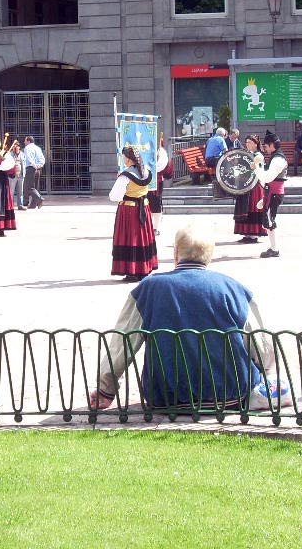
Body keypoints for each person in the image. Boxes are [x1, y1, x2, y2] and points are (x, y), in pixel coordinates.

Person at [88, 223, 275, 411]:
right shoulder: (234, 289)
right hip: (230, 394)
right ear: (210, 255)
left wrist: (106, 390)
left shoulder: (149, 289)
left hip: (166, 396)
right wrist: (266, 376)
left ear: (176, 252)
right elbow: (263, 345)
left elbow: (122, 343)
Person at [109, 144, 158, 282]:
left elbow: (114, 196)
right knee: (143, 238)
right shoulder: (147, 171)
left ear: (128, 158)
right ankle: (144, 268)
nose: (124, 160)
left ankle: (132, 271)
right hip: (144, 208)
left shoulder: (126, 175)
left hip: (129, 210)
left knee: (130, 238)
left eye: (124, 157)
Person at [254, 130, 287, 259]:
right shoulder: (275, 157)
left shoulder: (278, 159)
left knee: (269, 220)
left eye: (266, 146)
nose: (265, 149)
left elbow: (267, 177)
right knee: (268, 219)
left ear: (272, 145)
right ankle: (273, 248)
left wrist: (257, 166)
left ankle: (274, 249)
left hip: (274, 193)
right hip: (271, 193)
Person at [234, 134, 268, 244]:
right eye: (246, 142)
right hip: (246, 184)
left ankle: (253, 235)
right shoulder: (246, 154)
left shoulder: (259, 155)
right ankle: (247, 234)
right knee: (246, 208)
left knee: (253, 208)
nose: (247, 144)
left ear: (255, 144)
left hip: (255, 185)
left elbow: (256, 169)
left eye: (250, 142)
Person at [148, 134, 173, 237]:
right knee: (150, 204)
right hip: (149, 181)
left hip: (156, 182)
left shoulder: (161, 152)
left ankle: (155, 227)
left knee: (155, 204)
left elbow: (166, 169)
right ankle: (151, 227)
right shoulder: (148, 150)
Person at [21, 135, 46, 209]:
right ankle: (33, 205)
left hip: (30, 168)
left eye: (25, 140)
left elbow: (29, 158)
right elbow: (42, 158)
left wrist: (34, 165)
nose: (24, 142)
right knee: (35, 186)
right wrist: (40, 165)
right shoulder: (38, 148)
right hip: (38, 169)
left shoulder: (27, 148)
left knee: (28, 187)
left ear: (28, 141)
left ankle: (39, 198)